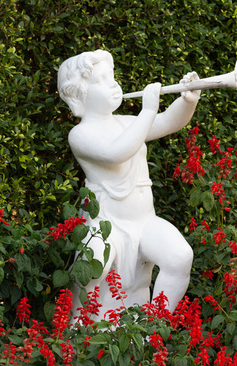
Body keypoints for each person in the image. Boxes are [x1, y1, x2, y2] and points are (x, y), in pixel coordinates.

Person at [57, 49, 200, 320]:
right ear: (79, 93)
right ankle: (80, 328)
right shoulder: (81, 134)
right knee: (92, 271)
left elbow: (168, 122)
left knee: (180, 256)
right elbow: (116, 152)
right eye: (101, 80)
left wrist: (188, 100)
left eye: (112, 77)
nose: (113, 85)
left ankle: (152, 328)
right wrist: (147, 110)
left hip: (144, 220)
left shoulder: (126, 122)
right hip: (105, 225)